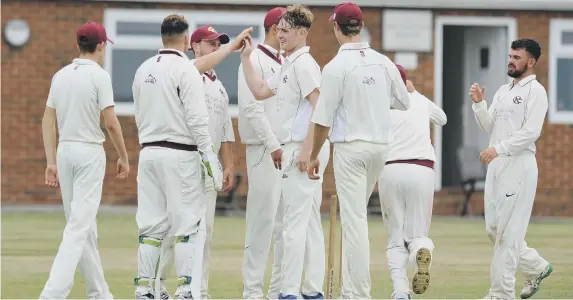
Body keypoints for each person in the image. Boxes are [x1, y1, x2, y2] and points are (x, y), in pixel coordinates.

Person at [306, 2, 410, 299]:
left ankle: (358, 294)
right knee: (356, 219)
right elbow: (403, 102)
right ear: (360, 26)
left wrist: (314, 155)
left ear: (336, 27)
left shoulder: (336, 66)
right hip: (379, 148)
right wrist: (374, 100)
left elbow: (322, 120)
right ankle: (350, 290)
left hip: (351, 149)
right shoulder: (385, 62)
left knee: (354, 223)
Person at [153, 24, 253, 300]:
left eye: (218, 43)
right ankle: (158, 284)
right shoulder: (188, 70)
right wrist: (233, 47)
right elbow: (200, 65)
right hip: (185, 160)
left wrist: (228, 164)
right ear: (194, 46)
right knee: (176, 228)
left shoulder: (218, 86)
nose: (216, 47)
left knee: (205, 231)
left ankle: (198, 290)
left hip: (210, 167)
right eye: (211, 43)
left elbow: (224, 129)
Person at [131, 14, 224, 300]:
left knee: (151, 225)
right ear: (187, 40)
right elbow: (197, 119)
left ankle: (144, 288)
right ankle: (185, 288)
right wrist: (209, 154)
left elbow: (138, 114)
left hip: (148, 153)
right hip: (180, 154)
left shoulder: (142, 69)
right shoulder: (185, 69)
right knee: (186, 225)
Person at [240, 4, 330, 299]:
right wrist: (245, 59)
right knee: (307, 221)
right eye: (279, 29)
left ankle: (290, 292)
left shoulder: (303, 64)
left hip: (305, 145)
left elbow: (321, 109)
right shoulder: (289, 63)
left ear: (302, 32)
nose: (280, 35)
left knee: (293, 223)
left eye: (286, 30)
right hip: (303, 145)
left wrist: (310, 150)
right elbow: (260, 91)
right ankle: (312, 289)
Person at [39, 21, 129, 299]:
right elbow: (111, 123)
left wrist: (50, 161)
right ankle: (53, 292)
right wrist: (124, 156)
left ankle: (99, 293)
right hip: (89, 152)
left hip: (64, 153)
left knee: (83, 225)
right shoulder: (99, 76)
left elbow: (48, 119)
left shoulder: (60, 75)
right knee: (79, 226)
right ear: (100, 46)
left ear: (79, 45)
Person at [469, 38, 553, 300]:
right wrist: (479, 104)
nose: (511, 61)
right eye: (510, 56)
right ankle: (537, 267)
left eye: (517, 57)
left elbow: (531, 132)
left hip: (519, 165)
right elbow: (488, 125)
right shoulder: (503, 91)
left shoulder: (536, 91)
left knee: (507, 234)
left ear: (531, 62)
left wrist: (499, 148)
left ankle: (500, 294)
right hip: (497, 165)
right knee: (494, 230)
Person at [377, 66, 447, 300]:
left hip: (391, 169)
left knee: (395, 238)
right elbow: (443, 118)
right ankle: (420, 249)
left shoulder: (380, 105)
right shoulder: (418, 101)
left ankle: (400, 292)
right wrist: (416, 94)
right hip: (422, 169)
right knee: (417, 233)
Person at [237, 7, 289, 300]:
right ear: (274, 28)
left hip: (284, 149)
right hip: (263, 149)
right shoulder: (254, 58)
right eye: (285, 28)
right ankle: (252, 292)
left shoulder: (285, 61)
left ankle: (279, 290)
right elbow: (251, 108)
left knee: (284, 225)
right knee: (261, 223)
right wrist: (273, 145)